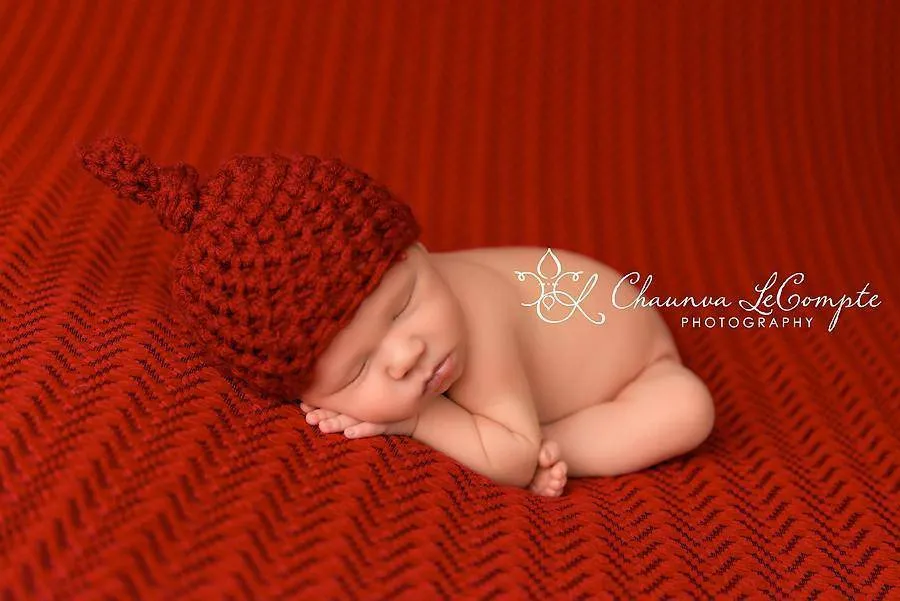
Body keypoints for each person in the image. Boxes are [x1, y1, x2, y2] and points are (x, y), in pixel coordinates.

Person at [78, 135, 715, 497]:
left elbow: (513, 459)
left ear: (417, 249)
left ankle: (569, 440)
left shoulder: (477, 313)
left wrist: (417, 417)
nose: (406, 352)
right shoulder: (427, 325)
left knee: (687, 409)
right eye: (358, 369)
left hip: (635, 356)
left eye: (404, 304)